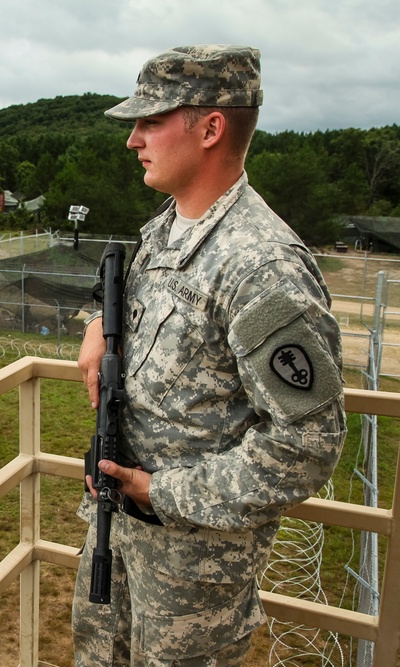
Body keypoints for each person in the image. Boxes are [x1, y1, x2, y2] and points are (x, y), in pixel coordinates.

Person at [71, 45, 347, 666]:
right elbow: (132, 307)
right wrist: (96, 322)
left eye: (151, 121)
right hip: (115, 539)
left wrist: (160, 491)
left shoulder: (262, 266)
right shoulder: (165, 230)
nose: (133, 140)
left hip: (193, 576)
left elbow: (309, 445)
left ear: (211, 128)